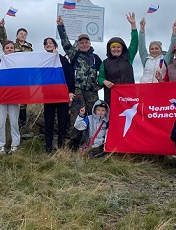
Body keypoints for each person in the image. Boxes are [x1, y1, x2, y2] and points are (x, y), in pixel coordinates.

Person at [57, 15, 102, 150]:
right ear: (78, 44)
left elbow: (104, 72)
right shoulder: (74, 54)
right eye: (81, 43)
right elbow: (65, 42)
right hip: (77, 91)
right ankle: (75, 143)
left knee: (94, 115)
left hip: (92, 93)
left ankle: (93, 141)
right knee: (76, 116)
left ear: (90, 44)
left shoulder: (96, 58)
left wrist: (99, 84)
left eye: (86, 42)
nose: (84, 44)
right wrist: (60, 27)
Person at [0, 18, 33, 129]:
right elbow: (3, 40)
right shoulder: (12, 46)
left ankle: (23, 125)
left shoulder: (30, 48)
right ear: (17, 35)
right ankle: (13, 125)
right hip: (13, 78)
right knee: (14, 101)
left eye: (24, 34)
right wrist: (2, 28)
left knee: (24, 102)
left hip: (24, 79)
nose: (22, 35)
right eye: (20, 33)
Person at [98, 13, 139, 106]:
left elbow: (134, 43)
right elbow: (100, 77)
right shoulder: (105, 63)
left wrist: (133, 25)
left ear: (122, 48)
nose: (116, 49)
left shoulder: (128, 58)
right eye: (113, 47)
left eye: (118, 47)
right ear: (109, 49)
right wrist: (104, 81)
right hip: (112, 97)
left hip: (128, 96)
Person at [42, 36, 74, 152]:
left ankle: (61, 146)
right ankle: (48, 147)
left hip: (62, 95)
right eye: (46, 44)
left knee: (62, 122)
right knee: (49, 122)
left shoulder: (63, 60)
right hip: (48, 96)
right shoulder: (42, 61)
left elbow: (70, 76)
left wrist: (71, 91)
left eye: (51, 43)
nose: (48, 45)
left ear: (55, 45)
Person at [0, 41, 20, 153]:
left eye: (12, 47)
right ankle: (0, 145)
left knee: (14, 122)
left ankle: (15, 144)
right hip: (1, 97)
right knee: (1, 122)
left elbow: (23, 80)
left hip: (14, 98)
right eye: (7, 48)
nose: (10, 49)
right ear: (4, 50)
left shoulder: (18, 64)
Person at [137, 18, 176, 82]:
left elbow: (172, 47)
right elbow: (141, 45)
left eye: (156, 48)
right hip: (145, 88)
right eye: (152, 49)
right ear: (149, 50)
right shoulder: (146, 58)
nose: (154, 50)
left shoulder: (165, 59)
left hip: (159, 88)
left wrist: (174, 31)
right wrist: (142, 29)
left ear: (160, 50)